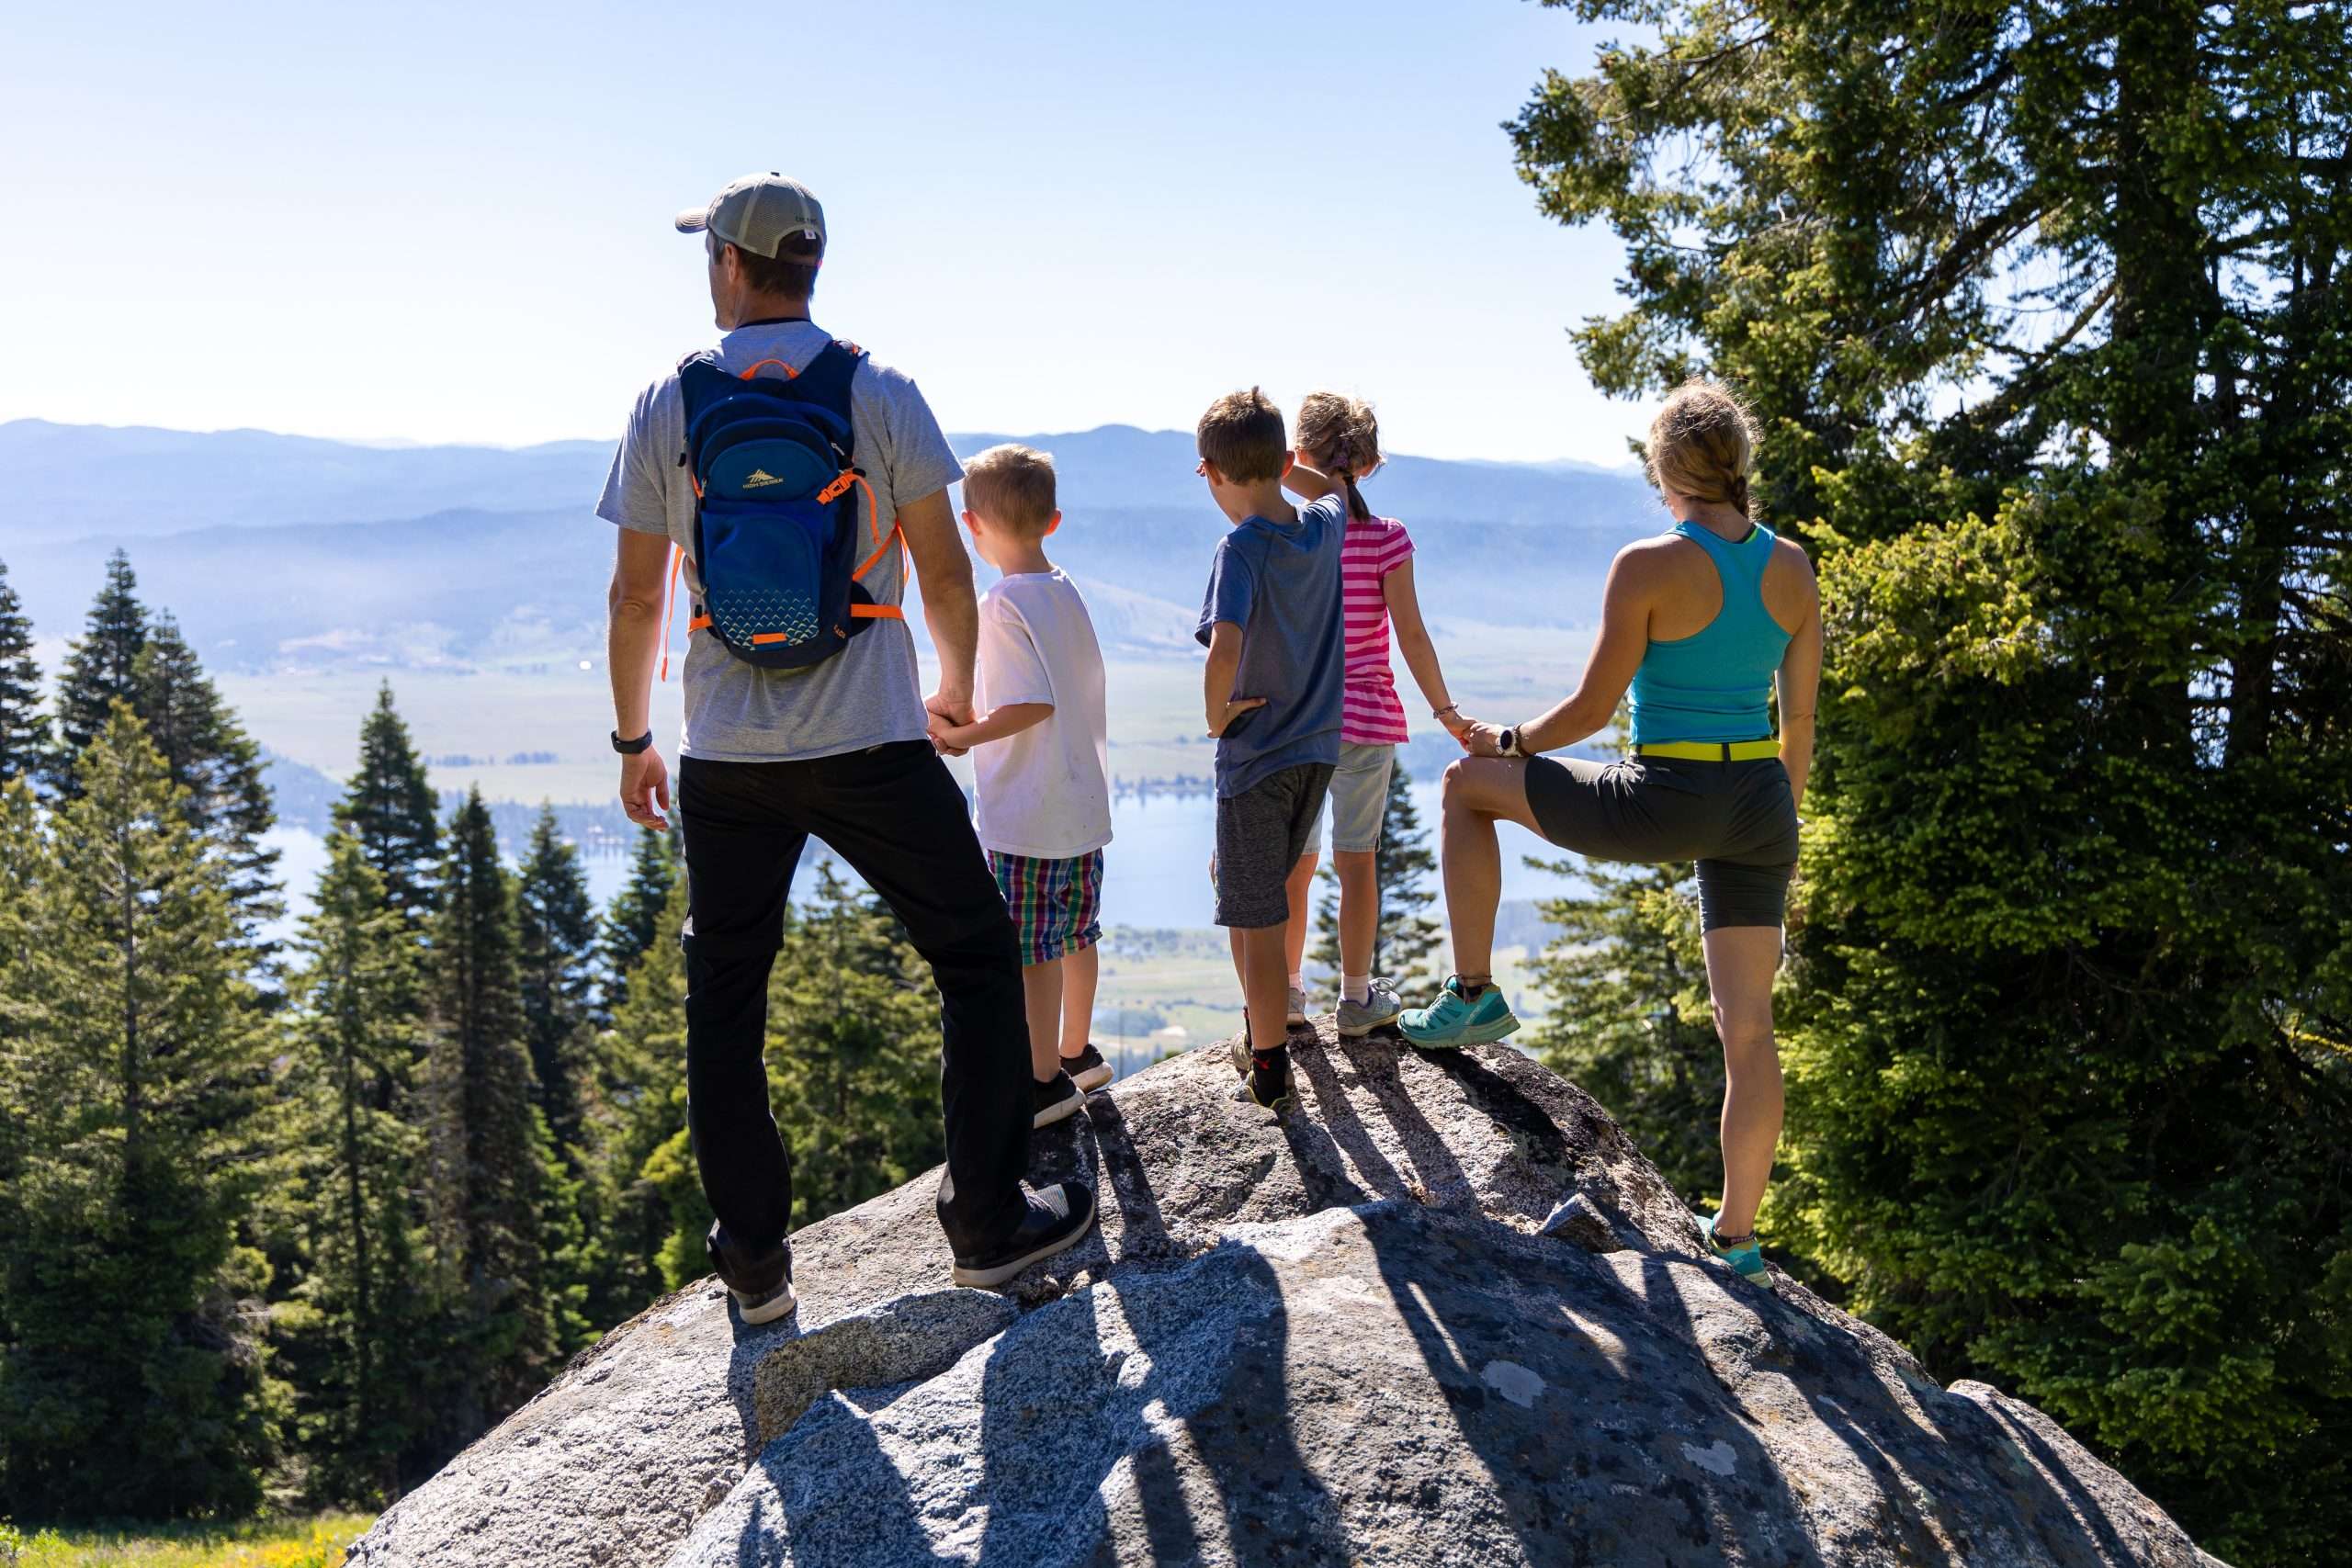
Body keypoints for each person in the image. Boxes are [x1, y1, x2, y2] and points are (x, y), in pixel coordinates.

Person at [597, 172, 1094, 1317]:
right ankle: (984, 1225)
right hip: (872, 739)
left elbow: (636, 601)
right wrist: (955, 691)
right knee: (972, 960)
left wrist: (634, 738)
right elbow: (946, 567)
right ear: (810, 264)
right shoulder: (880, 388)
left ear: (730, 263)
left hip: (727, 759)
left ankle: (757, 1266)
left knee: (725, 997)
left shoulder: (665, 405)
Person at [1401, 379, 1819, 1291]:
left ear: (1663, 468)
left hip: (1664, 793)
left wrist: (1506, 741)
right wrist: (1762, 819)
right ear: (1738, 465)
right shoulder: (1791, 566)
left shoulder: (1648, 564)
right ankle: (1738, 1240)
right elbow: (1800, 728)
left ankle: (1472, 993)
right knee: (1748, 1031)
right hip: (1758, 802)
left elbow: (1592, 709)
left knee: (1466, 789)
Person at [928, 443, 1116, 1129]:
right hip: (1081, 803)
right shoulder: (1064, 589)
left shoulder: (1003, 603)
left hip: (1029, 814)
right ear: (1053, 520)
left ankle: (1042, 1082)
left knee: (1032, 950)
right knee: (1077, 932)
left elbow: (1028, 704)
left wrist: (957, 736)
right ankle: (1078, 1051)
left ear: (971, 525)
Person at [1277, 392, 1470, 1036]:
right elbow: (1412, 635)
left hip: (1300, 719)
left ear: (1300, 455)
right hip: (1366, 719)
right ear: (1369, 461)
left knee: (1294, 867)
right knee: (1357, 860)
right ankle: (1356, 998)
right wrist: (1447, 711)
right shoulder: (1389, 539)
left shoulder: (1291, 533)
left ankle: (1286, 995)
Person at [1193, 388, 1348, 1112]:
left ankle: (1268, 1064)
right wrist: (1293, 471)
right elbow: (1334, 489)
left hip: (1255, 758)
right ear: (1284, 460)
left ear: (1210, 472)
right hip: (1318, 750)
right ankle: (1269, 1032)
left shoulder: (1240, 547)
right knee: (1267, 894)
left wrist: (1216, 717)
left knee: (1255, 916)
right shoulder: (1322, 528)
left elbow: (1223, 645)